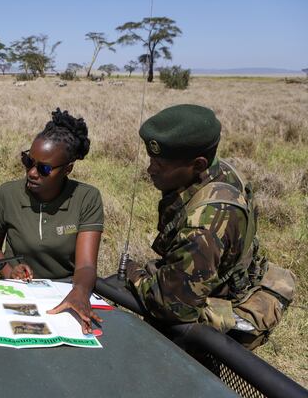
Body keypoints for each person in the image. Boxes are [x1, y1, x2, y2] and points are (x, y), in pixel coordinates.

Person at [125, 104, 296, 349]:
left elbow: (172, 307)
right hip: (219, 279)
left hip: (216, 313)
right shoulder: (222, 171)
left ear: (198, 164)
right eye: (152, 159)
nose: (150, 169)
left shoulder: (202, 227)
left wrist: (133, 274)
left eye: (160, 165)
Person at [0, 108, 104, 334]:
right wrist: (10, 272)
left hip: (65, 290)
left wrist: (79, 293)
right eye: (28, 161)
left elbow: (86, 265)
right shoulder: (6, 195)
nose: (32, 172)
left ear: (68, 169)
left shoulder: (87, 198)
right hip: (18, 293)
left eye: (44, 168)